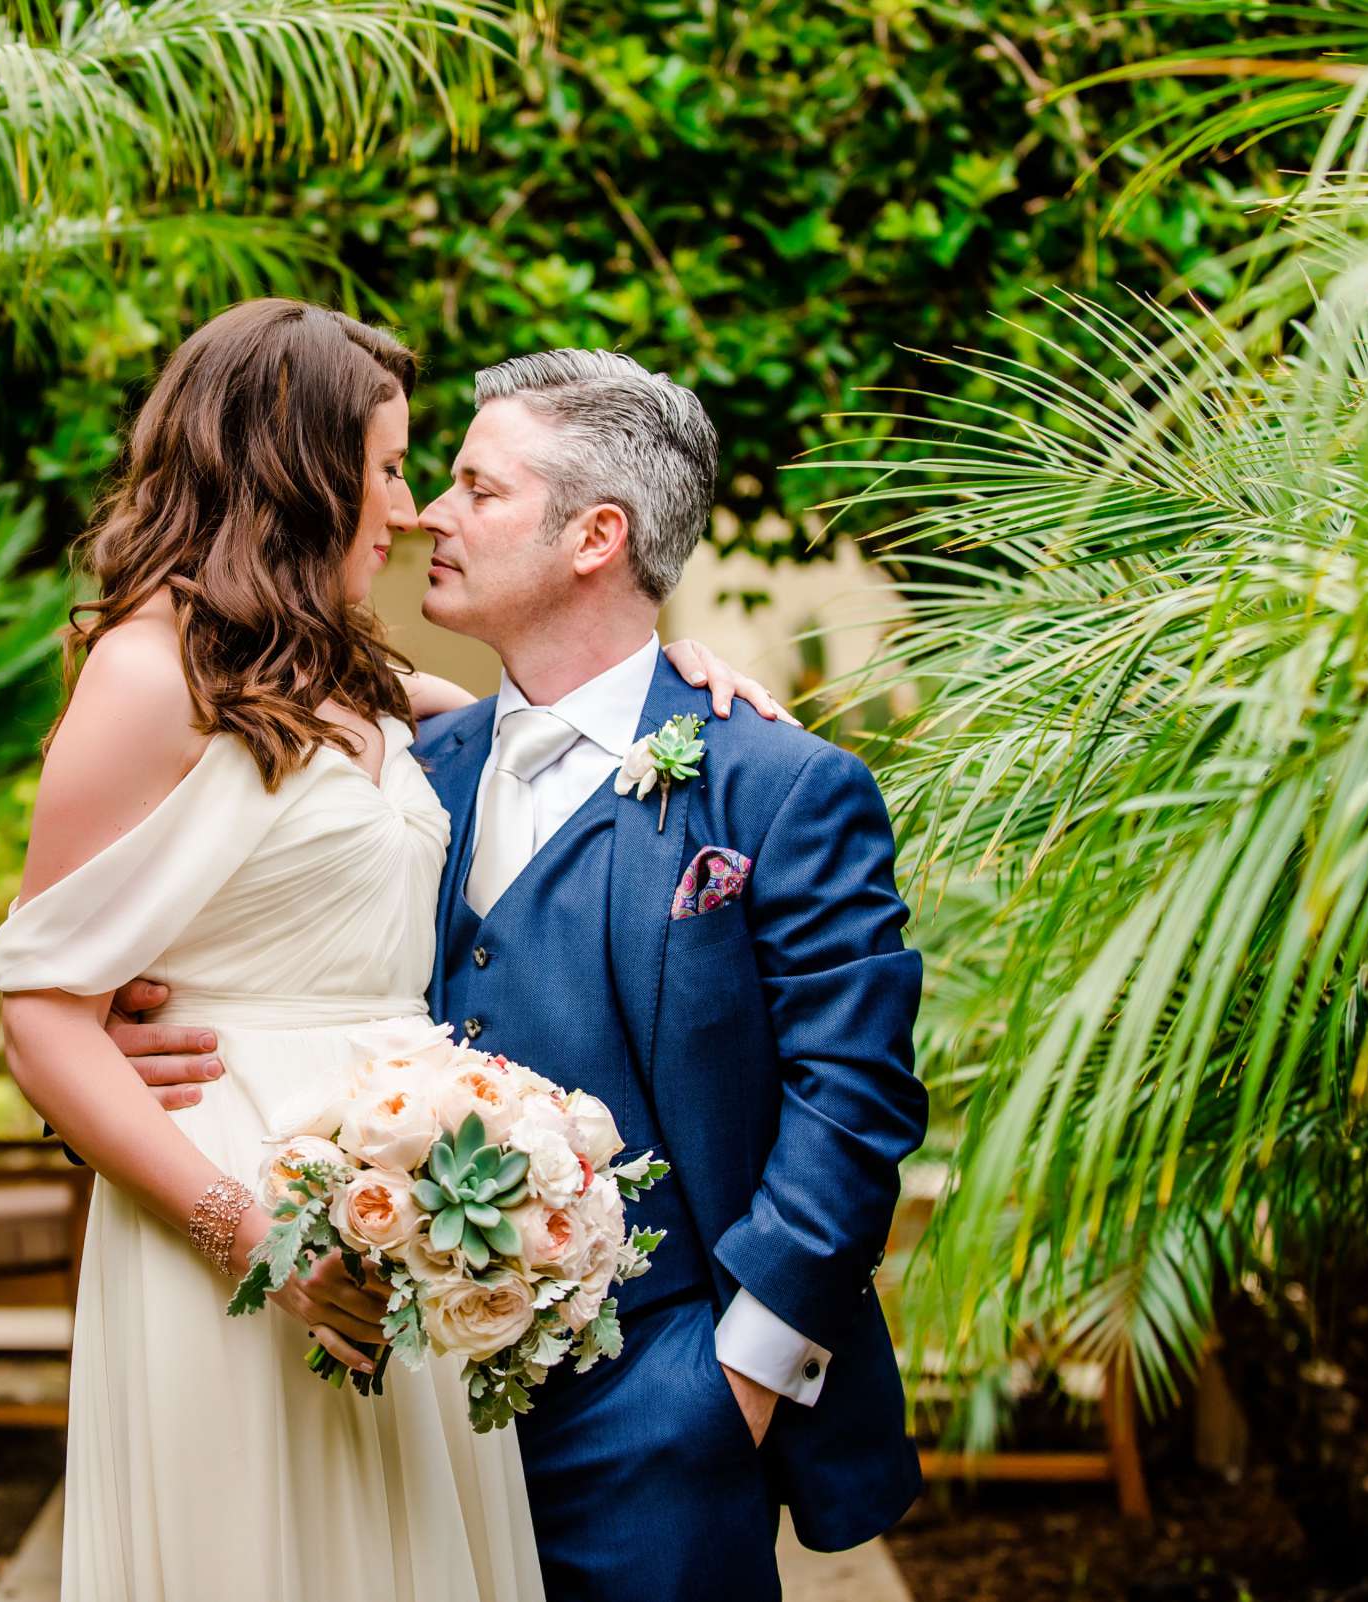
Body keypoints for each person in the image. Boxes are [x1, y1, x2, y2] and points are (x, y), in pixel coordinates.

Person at [0, 302, 782, 1602]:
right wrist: (253, 1239)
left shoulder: (359, 678)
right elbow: (43, 1007)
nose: (409, 509)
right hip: (227, 1220)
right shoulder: (144, 673)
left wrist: (676, 670)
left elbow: (558, 728)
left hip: (394, 1206)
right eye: (394, 467)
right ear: (300, 474)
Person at [104, 349, 929, 1597]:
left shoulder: (777, 784)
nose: (428, 514)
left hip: (666, 1409)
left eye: (476, 490)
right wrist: (122, 1057)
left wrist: (740, 1380)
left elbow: (853, 1103)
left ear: (597, 535)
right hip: (393, 1412)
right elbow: (216, 975)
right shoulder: (395, 766)